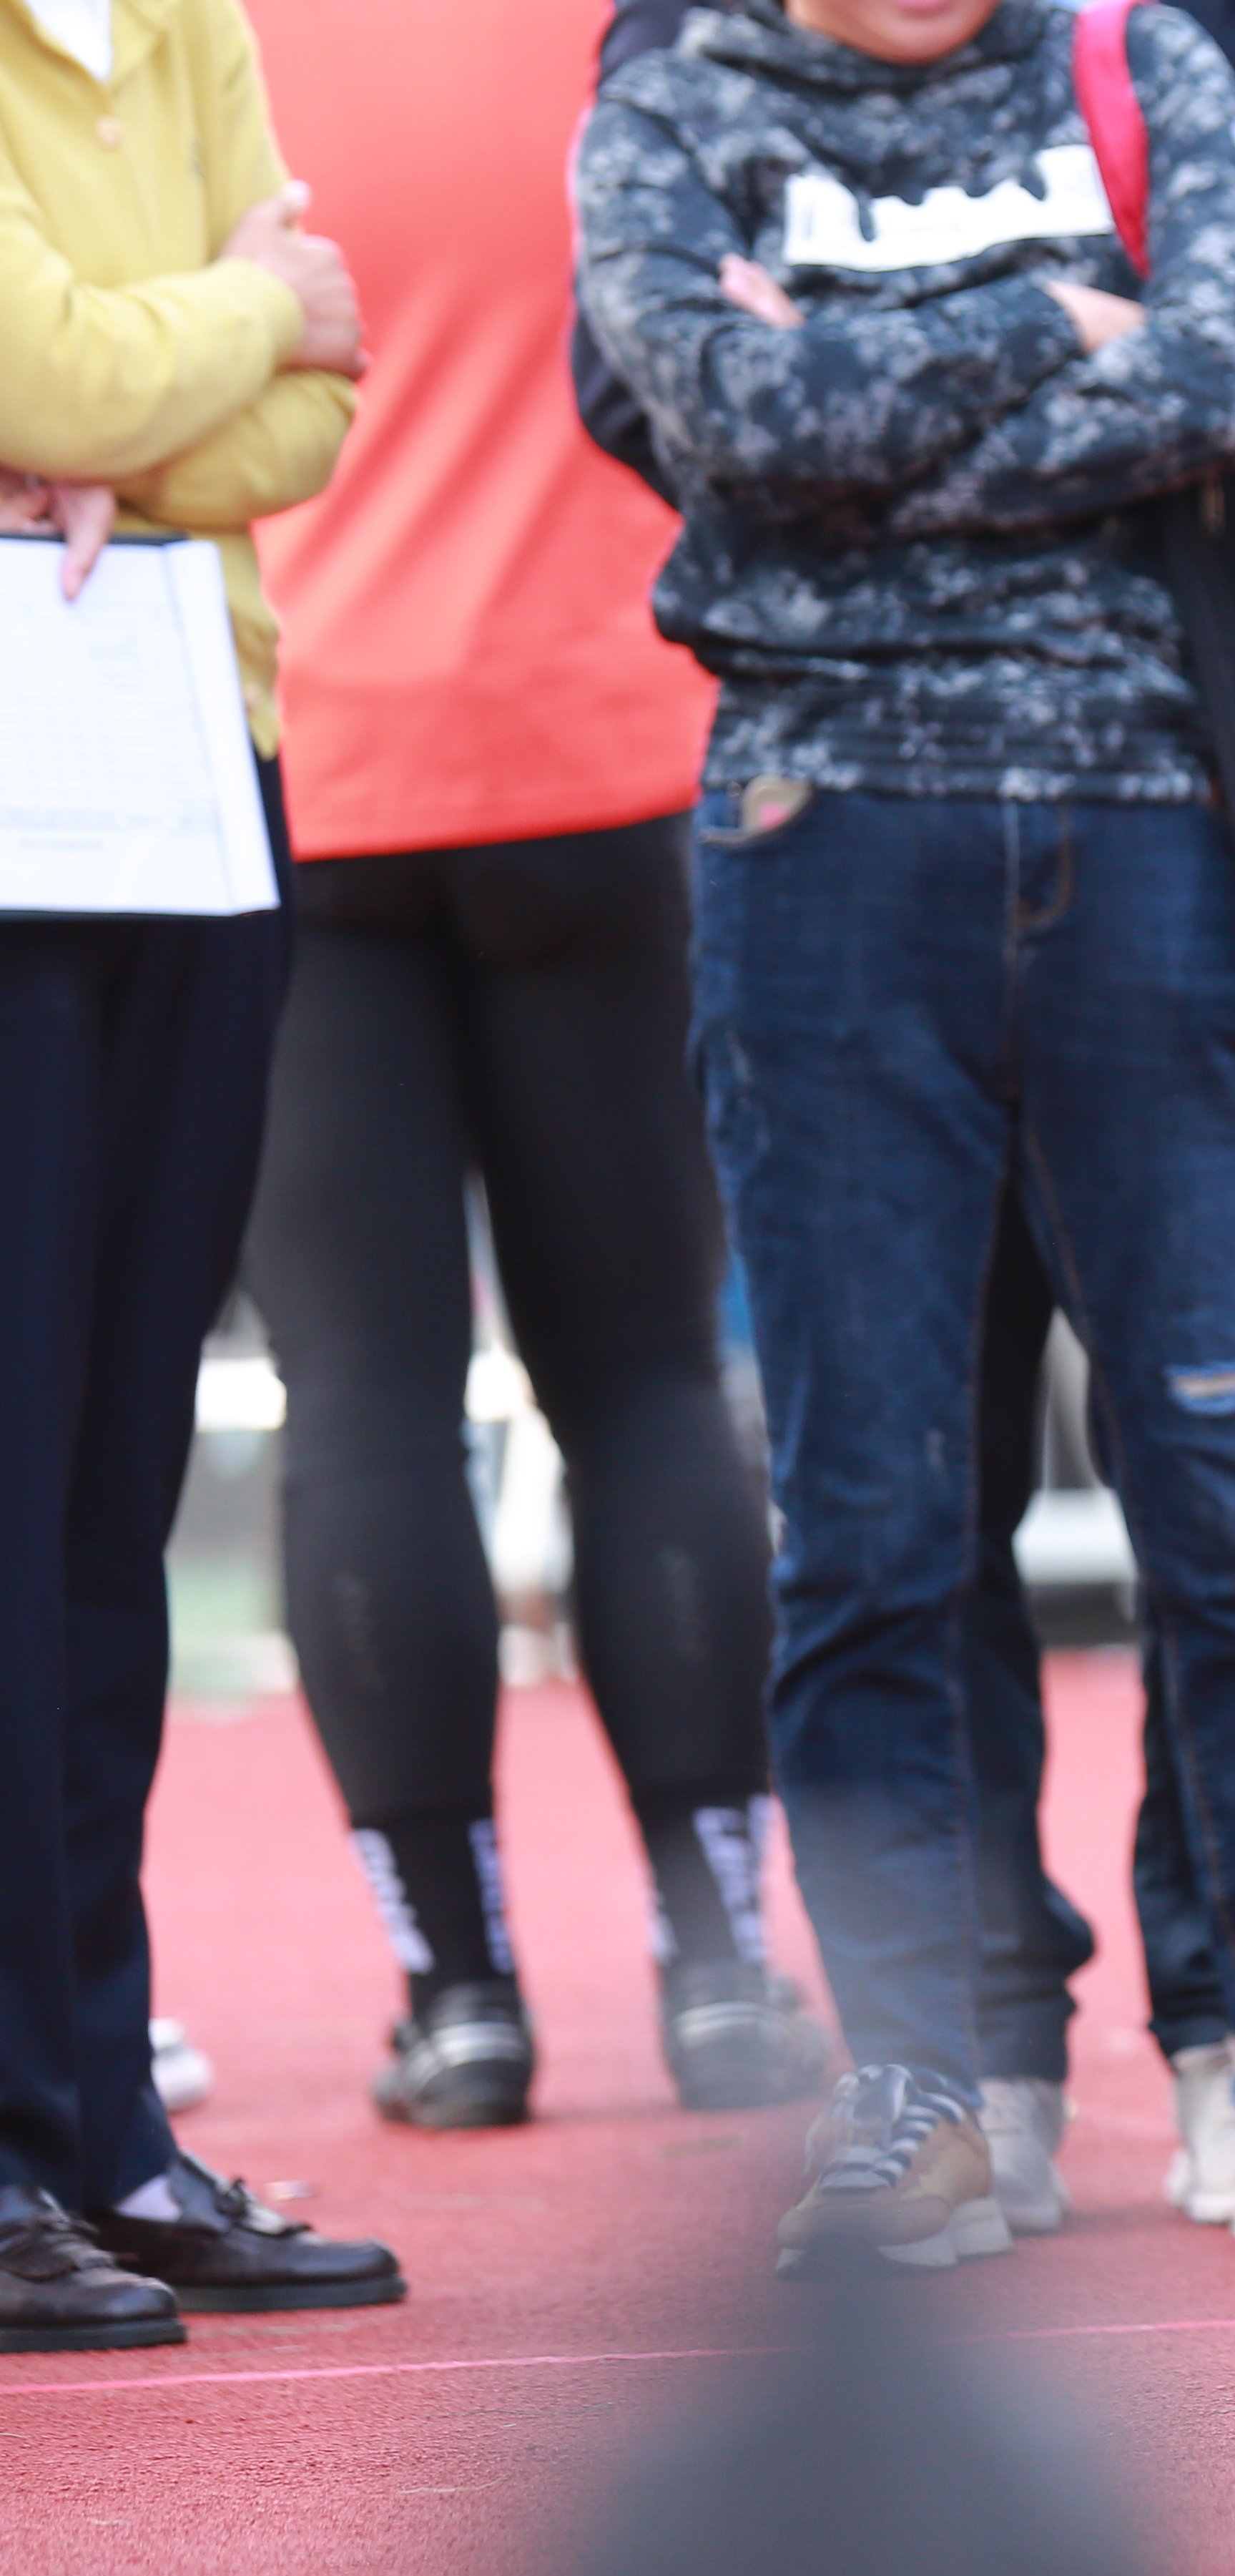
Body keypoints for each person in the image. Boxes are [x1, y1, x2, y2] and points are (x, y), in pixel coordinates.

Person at [577, 0, 1235, 2273]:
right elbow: (718, 420)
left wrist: (855, 404)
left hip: (1156, 835)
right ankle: (925, 2082)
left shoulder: (1138, 61)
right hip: (819, 845)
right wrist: (1053, 334)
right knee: (871, 1521)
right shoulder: (676, 94)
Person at [242, 0, 830, 2137]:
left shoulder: (201, 48)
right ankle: (718, 1958)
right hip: (608, 746)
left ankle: (458, 1989)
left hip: (312, 759)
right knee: (650, 1377)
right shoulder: (640, 27)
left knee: (363, 1400)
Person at [1, 0, 405, 2346]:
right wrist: (219, 335)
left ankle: (90, 2122)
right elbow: (48, 364)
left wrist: (108, 437)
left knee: (108, 1495)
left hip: (179, 763)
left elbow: (319, 411)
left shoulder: (188, 16)